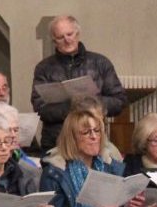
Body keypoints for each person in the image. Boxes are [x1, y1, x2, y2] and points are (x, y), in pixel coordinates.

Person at [31, 15, 127, 152]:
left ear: (78, 34)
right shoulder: (44, 68)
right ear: (54, 41)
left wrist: (90, 104)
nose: (67, 40)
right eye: (60, 37)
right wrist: (72, 106)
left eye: (70, 34)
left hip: (94, 140)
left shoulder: (100, 63)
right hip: (57, 141)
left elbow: (119, 101)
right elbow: (40, 107)